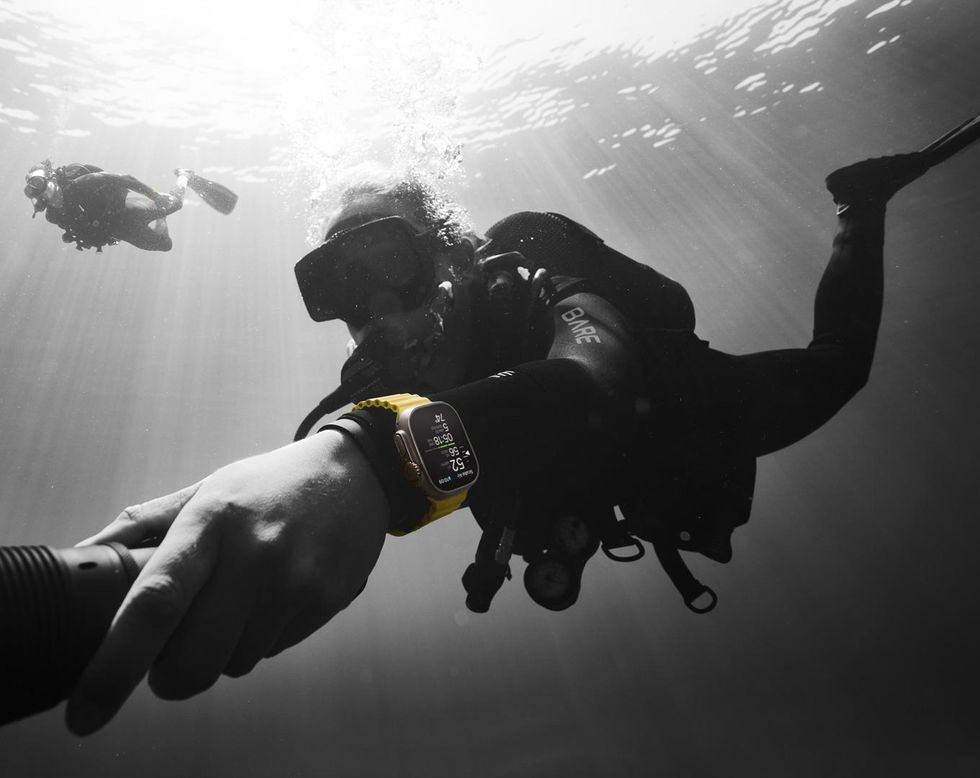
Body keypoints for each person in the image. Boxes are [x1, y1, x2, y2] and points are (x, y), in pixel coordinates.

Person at [62, 116, 980, 736]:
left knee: (837, 367)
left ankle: (862, 202)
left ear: (452, 253)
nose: (377, 314)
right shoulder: (378, 381)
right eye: (342, 292)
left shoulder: (533, 278)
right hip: (586, 492)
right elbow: (296, 484)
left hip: (685, 418)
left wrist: (370, 460)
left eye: (389, 264)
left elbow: (594, 383)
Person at [24, 161, 238, 252]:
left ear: (51, 178)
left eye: (40, 184)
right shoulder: (54, 215)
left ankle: (184, 175)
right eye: (34, 191)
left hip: (127, 210)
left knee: (176, 204)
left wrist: (154, 195)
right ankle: (161, 217)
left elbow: (125, 179)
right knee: (165, 245)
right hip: (120, 230)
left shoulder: (83, 183)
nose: (44, 193)